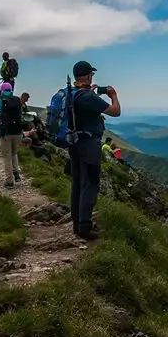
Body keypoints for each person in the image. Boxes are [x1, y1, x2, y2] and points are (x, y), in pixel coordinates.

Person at [67, 60, 120, 240]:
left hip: (73, 143)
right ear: (88, 76)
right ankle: (85, 227)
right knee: (90, 185)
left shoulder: (71, 93)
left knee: (77, 184)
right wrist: (113, 95)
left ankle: (77, 223)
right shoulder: (88, 97)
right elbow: (115, 111)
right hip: (89, 145)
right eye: (92, 74)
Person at [0, 82, 23, 187]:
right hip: (18, 132)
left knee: (7, 156)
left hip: (5, 133)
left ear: (1, 90)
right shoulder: (17, 100)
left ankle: (9, 181)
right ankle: (16, 174)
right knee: (14, 153)